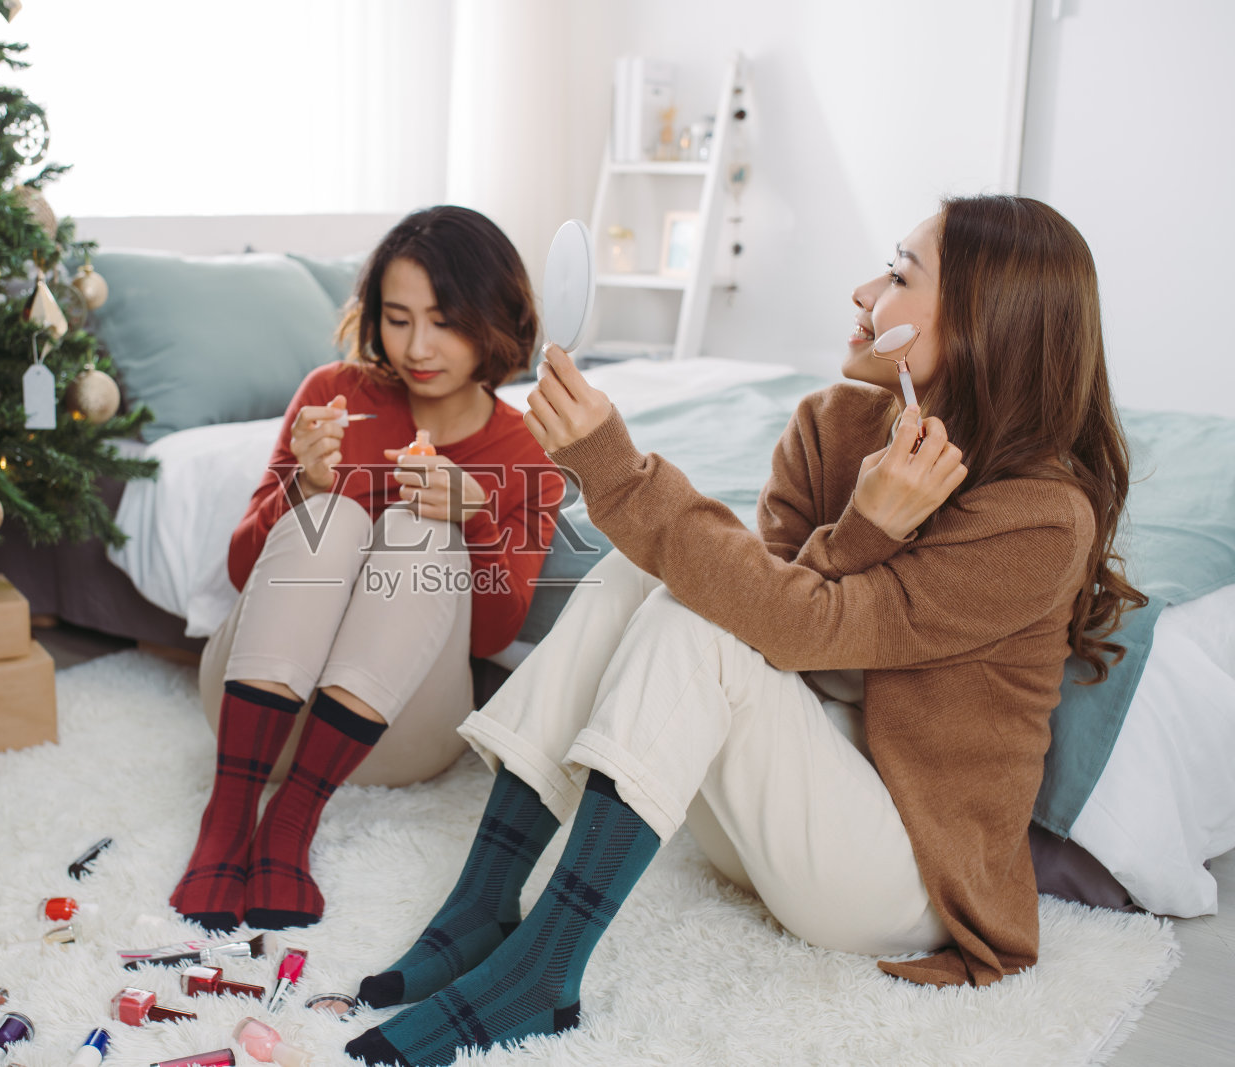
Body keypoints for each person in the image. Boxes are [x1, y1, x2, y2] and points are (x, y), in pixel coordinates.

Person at [346, 195, 1147, 1066]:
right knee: (648, 576)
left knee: (703, 611)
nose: (862, 290)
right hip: (771, 820)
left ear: (988, 324)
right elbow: (759, 608)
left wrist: (616, 469)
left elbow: (788, 628)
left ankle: (543, 968)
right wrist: (864, 527)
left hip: (901, 867)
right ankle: (483, 905)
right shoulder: (830, 425)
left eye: (898, 274)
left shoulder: (1038, 517)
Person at [172, 205, 566, 934]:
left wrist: (473, 517)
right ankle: (227, 820)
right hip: (251, 709)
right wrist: (304, 486)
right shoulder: (335, 392)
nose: (418, 347)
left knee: (421, 525)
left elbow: (494, 634)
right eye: (398, 317)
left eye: (445, 320)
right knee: (335, 513)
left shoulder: (526, 449)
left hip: (391, 734)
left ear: (496, 318)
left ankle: (290, 824)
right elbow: (239, 568)